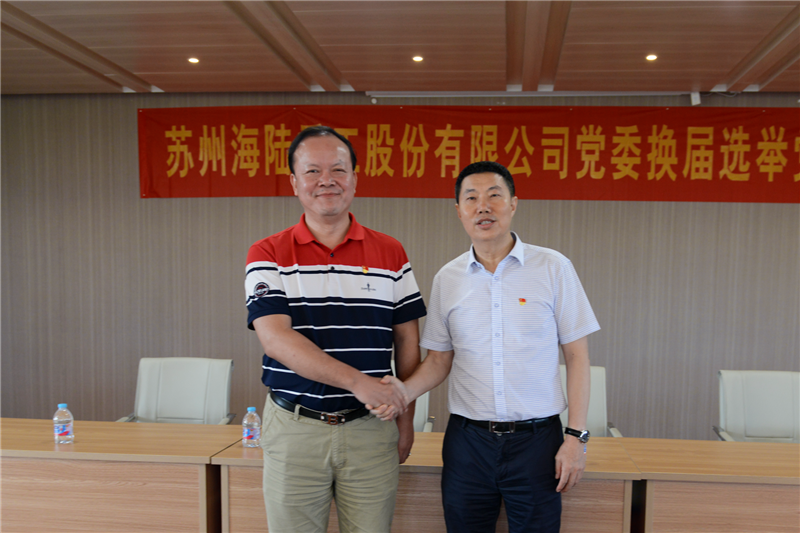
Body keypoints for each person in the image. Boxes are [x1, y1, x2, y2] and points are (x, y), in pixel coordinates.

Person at [374, 160, 600, 533]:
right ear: (459, 211)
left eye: (494, 195)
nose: (483, 207)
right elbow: (439, 360)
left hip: (537, 443)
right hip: (468, 443)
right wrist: (402, 392)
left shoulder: (553, 267)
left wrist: (576, 437)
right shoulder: (448, 278)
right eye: (472, 198)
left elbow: (577, 357)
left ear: (513, 204)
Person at [244, 125, 426, 533]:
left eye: (338, 170)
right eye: (312, 171)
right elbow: (275, 338)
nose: (326, 180)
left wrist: (405, 421)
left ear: (355, 179)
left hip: (371, 430)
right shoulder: (268, 252)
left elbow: (407, 342)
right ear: (294, 182)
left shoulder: (391, 252)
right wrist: (358, 382)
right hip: (295, 429)